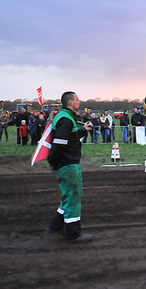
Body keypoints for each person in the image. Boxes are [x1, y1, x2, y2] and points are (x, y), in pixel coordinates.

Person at [46, 91, 93, 243]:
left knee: (68, 194)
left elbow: (68, 138)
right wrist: (53, 161)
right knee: (73, 195)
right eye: (77, 100)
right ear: (70, 103)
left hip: (64, 163)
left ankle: (56, 224)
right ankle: (73, 234)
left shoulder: (63, 117)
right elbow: (59, 144)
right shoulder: (66, 120)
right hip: (67, 165)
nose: (79, 102)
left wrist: (83, 130)